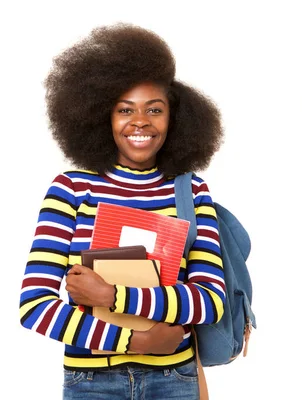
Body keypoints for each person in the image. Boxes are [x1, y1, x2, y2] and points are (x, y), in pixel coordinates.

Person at [19, 23, 225, 399]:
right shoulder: (72, 189)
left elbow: (210, 300)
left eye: (155, 109)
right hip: (92, 384)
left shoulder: (191, 191)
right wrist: (138, 340)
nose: (140, 121)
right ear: (103, 117)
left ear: (173, 118)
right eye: (125, 110)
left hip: (175, 380)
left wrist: (112, 295)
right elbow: (35, 305)